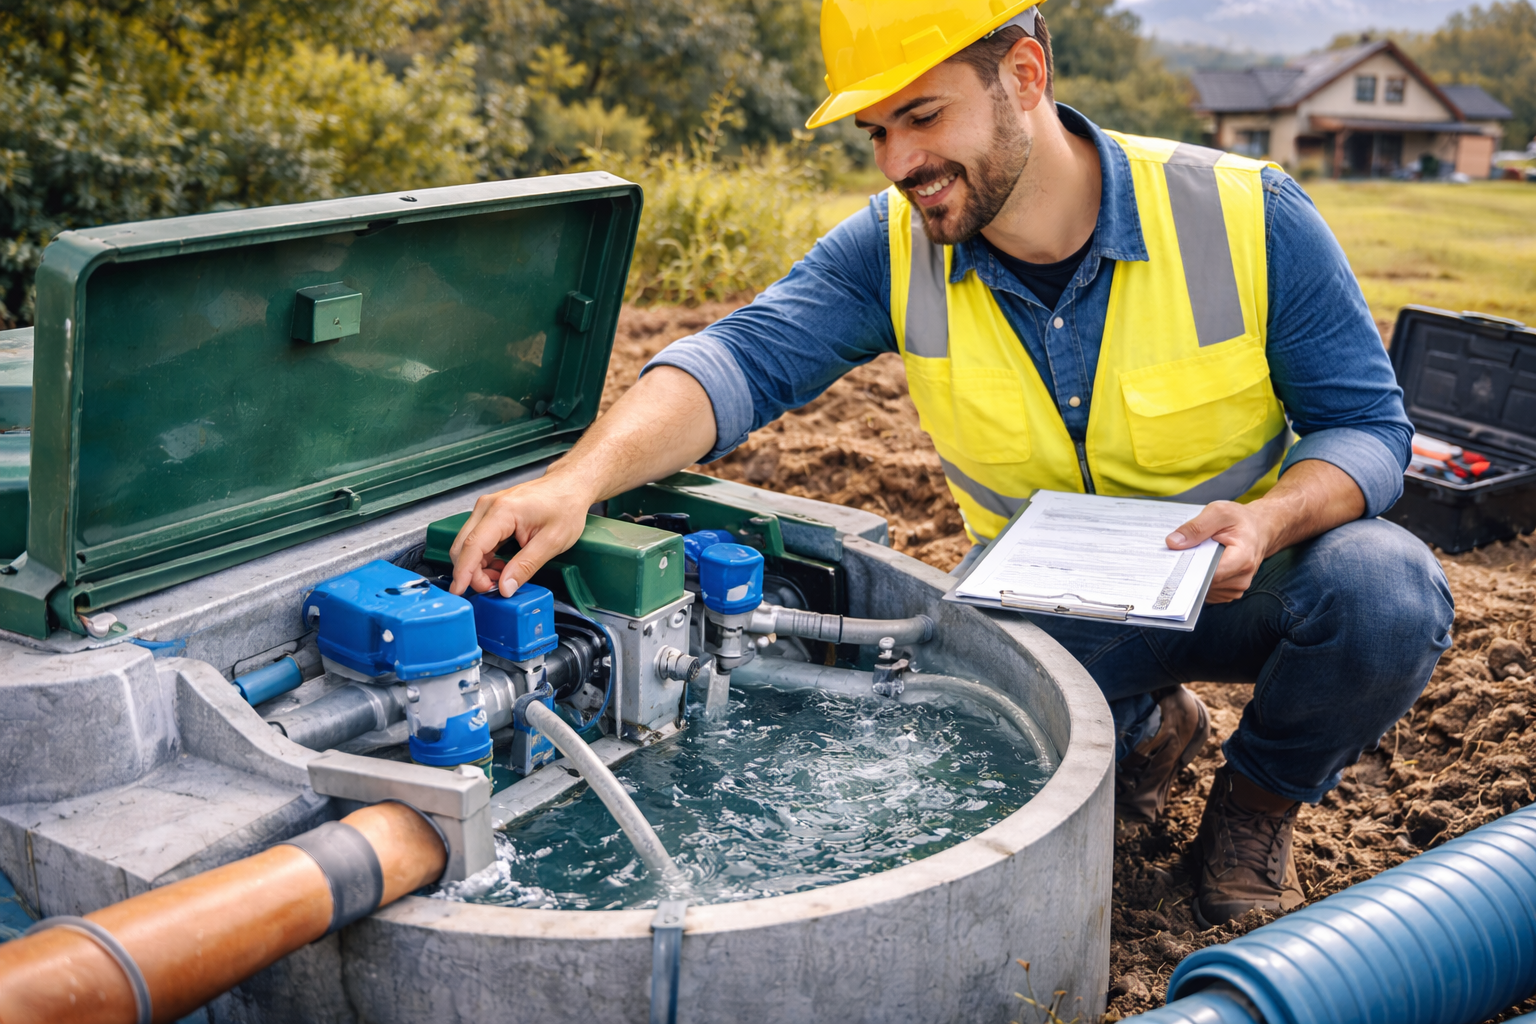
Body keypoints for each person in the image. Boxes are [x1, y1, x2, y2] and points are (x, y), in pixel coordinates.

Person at [447, 0, 1454, 926]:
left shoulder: (1243, 214)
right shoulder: (893, 247)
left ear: (1025, 74)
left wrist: (1269, 521)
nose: (898, 160)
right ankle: (1147, 730)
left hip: (1246, 582)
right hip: (1053, 617)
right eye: (876, 131)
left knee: (1388, 591)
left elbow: (1368, 432)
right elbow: (737, 359)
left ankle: (1256, 802)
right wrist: (573, 483)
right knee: (951, 769)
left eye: (923, 117)